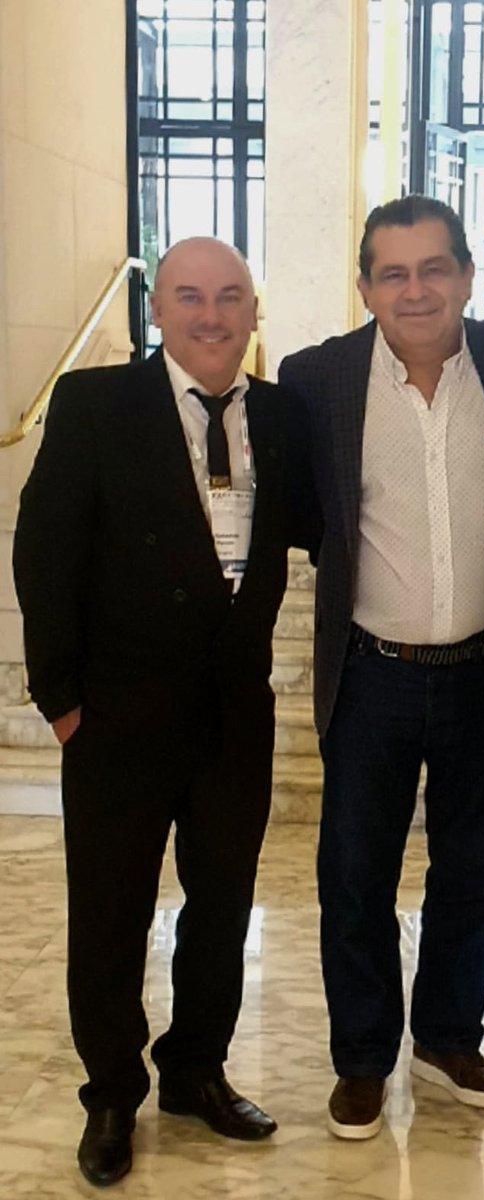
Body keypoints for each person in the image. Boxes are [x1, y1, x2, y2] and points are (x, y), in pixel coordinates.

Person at [14, 237, 318, 1187]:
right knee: (111, 913)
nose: (211, 315)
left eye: (230, 297)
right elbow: (45, 551)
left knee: (222, 909)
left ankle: (195, 1070)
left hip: (234, 716)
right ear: (157, 310)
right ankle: (112, 1092)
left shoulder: (278, 415)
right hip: (117, 716)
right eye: (190, 296)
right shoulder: (96, 404)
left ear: (253, 310)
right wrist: (60, 699)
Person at [278, 195, 484, 1140]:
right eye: (394, 272)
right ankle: (363, 1057)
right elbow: (305, 518)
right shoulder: (317, 382)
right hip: (372, 670)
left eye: (434, 269)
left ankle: (448, 1037)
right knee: (354, 873)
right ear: (366, 285)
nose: (415, 289)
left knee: (477, 872)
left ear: (467, 275)